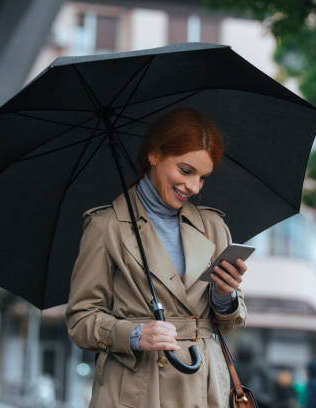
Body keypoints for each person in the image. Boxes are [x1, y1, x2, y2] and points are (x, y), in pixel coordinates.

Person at [65, 107, 248, 408]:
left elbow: (227, 323)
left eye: (203, 177)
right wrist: (134, 334)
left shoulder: (213, 226)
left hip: (205, 388)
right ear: (154, 155)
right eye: (186, 170)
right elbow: (81, 319)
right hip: (138, 390)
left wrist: (223, 295)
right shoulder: (106, 226)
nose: (193, 187)